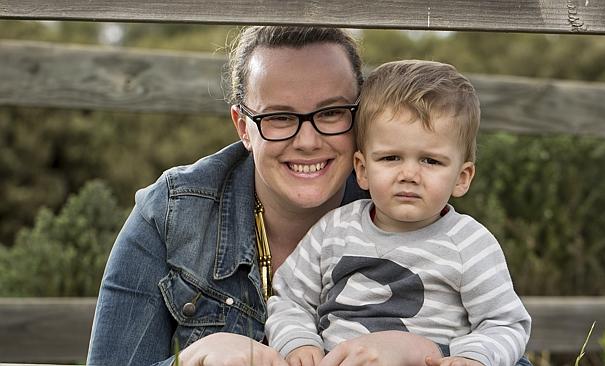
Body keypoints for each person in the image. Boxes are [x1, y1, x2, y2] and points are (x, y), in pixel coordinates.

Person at [86, 26, 447, 366]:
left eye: (333, 112)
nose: (307, 141)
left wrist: (425, 351)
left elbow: (495, 333)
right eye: (278, 117)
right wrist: (194, 358)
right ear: (243, 126)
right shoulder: (169, 215)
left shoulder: (412, 207)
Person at [265, 60, 532, 366]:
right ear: (362, 170)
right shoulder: (334, 230)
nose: (409, 174)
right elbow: (290, 299)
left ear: (462, 177)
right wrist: (299, 341)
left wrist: (474, 357)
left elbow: (505, 324)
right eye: (391, 158)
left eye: (430, 161)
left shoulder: (469, 244)